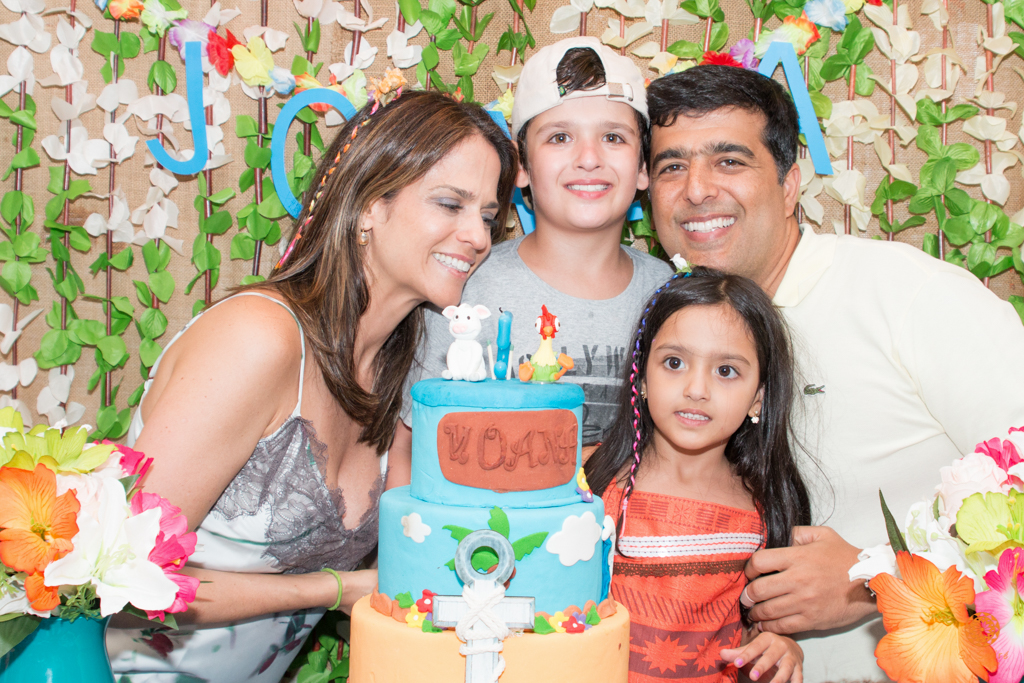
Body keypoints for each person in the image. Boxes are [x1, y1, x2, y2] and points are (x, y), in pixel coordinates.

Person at [106, 90, 518, 683]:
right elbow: (121, 571)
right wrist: (334, 588)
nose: (477, 238)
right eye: (450, 204)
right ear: (371, 204)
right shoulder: (261, 338)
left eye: (486, 216)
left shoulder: (402, 366)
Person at [645, 64, 1024, 681]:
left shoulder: (905, 294)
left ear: (791, 184)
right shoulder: (674, 336)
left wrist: (872, 581)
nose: (695, 189)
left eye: (729, 161)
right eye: (670, 166)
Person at [388, 37, 673, 482]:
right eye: (560, 137)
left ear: (642, 168)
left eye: (613, 137)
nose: (589, 159)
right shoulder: (465, 284)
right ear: (521, 165)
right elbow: (409, 448)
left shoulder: (669, 293)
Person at [586, 267, 810, 683]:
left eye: (726, 371)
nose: (696, 388)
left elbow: (757, 629)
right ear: (642, 378)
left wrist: (781, 646)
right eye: (674, 362)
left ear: (758, 396)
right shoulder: (592, 486)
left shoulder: (765, 508)